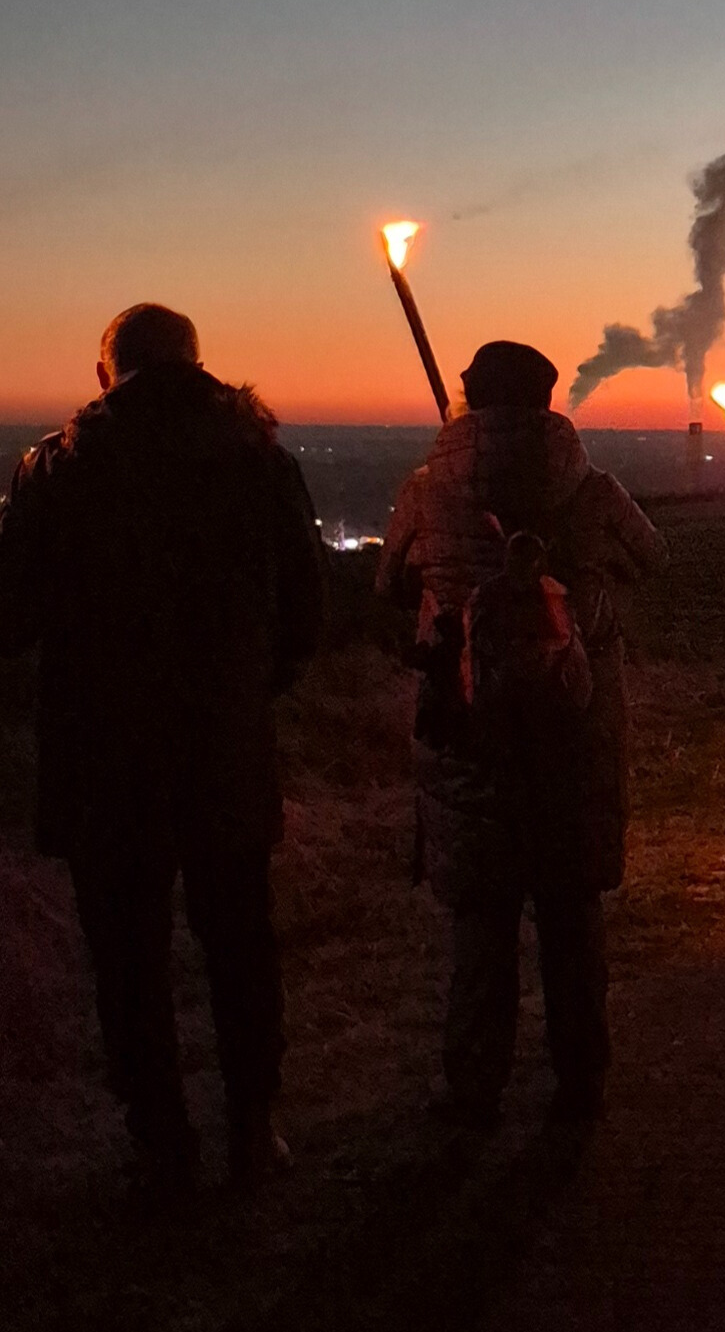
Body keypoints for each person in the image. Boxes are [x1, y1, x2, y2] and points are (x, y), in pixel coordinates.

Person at [0, 303, 324, 1189]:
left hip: (102, 757)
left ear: (108, 372)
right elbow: (307, 609)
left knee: (128, 956)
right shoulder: (257, 457)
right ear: (195, 362)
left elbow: (12, 613)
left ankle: (161, 1134)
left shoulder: (60, 466)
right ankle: (254, 1124)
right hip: (220, 744)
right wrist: (251, 691)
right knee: (239, 942)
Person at [376, 340, 663, 1126]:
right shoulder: (593, 490)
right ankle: (580, 1079)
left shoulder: (427, 491)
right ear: (549, 401)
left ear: (467, 399)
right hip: (574, 732)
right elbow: (652, 558)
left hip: (469, 737)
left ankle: (473, 1087)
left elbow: (392, 582)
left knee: (482, 921)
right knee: (571, 916)